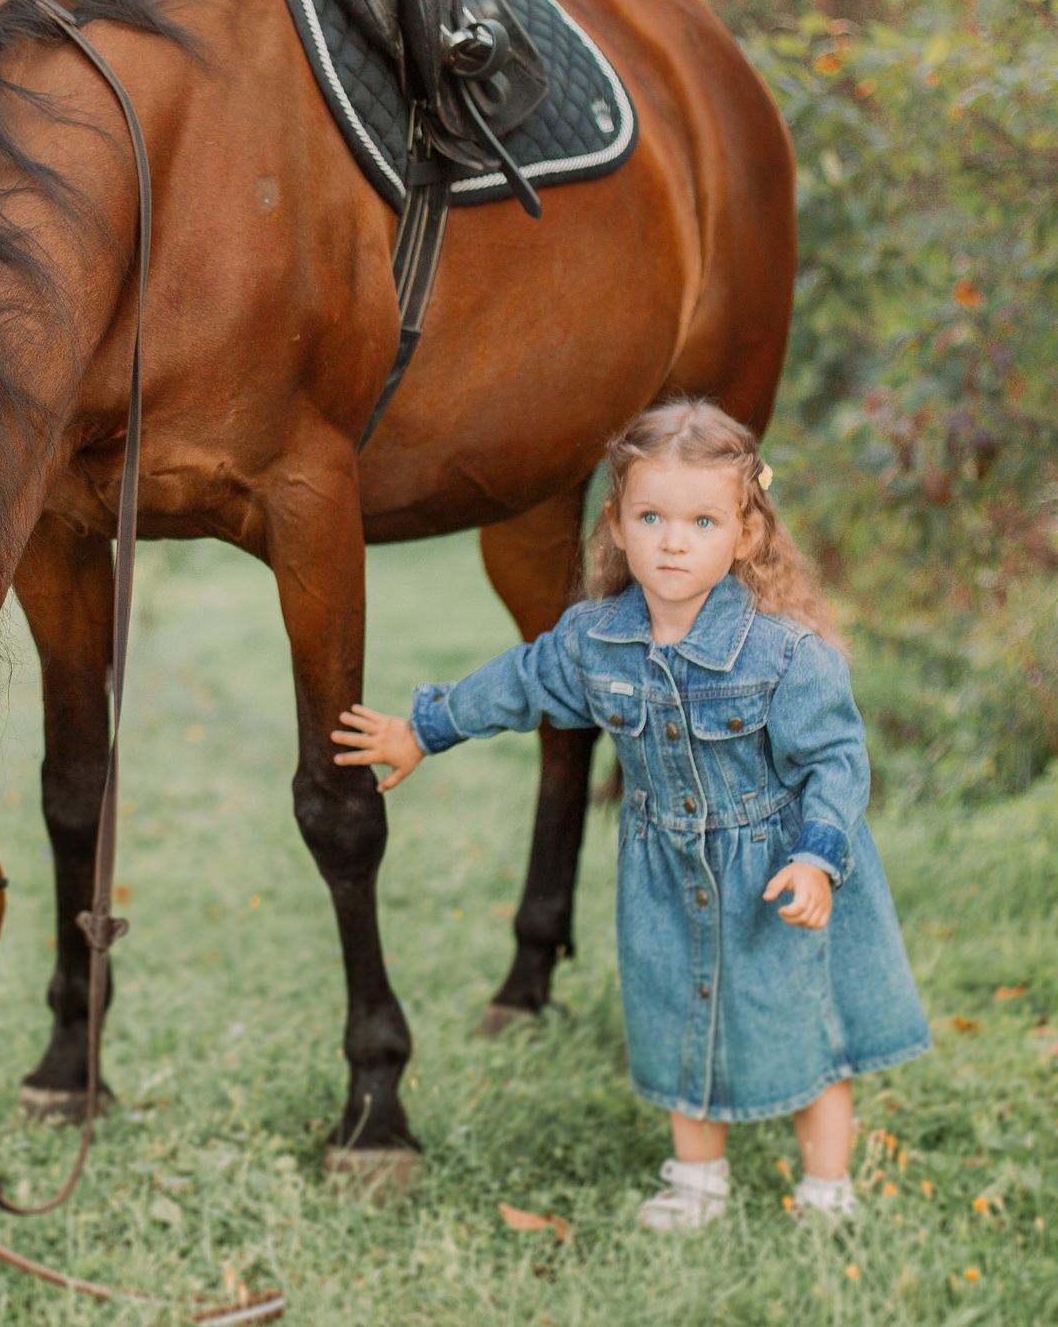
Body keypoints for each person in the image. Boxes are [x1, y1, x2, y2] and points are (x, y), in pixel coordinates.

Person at [334, 398, 930, 1231]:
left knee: (806, 1022)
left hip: (774, 869)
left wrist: (817, 855)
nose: (673, 540)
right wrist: (421, 730)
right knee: (679, 1016)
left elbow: (835, 759)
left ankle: (828, 1187)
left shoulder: (785, 653)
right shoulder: (594, 639)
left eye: (700, 520)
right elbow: (521, 682)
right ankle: (697, 1178)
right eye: (651, 516)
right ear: (616, 524)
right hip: (666, 872)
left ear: (745, 533)